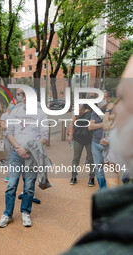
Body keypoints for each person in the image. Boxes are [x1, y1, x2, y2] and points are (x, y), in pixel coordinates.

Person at [63, 55, 133, 255]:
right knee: (97, 167)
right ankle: (90, 181)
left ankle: (96, 181)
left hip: (96, 142)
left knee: (99, 166)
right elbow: (85, 123)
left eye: (126, 100)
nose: (117, 109)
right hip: (92, 141)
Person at [0, 88, 48, 228]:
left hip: (32, 155)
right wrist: (20, 149)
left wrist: (28, 149)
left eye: (27, 95)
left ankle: (25, 212)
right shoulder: (15, 112)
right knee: (11, 185)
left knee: (29, 186)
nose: (24, 98)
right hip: (16, 154)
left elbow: (44, 138)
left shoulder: (41, 115)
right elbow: (9, 132)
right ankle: (7, 214)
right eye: (22, 95)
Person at [88, 91, 111, 189]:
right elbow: (90, 127)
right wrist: (105, 124)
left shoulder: (114, 111)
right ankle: (103, 189)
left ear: (108, 99)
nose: (100, 101)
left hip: (109, 144)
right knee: (98, 168)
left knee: (113, 167)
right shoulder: (95, 111)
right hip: (95, 143)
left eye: (103, 98)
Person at [67, 104, 95, 186]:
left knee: (91, 158)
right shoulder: (79, 110)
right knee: (76, 158)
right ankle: (73, 176)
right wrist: (71, 135)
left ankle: (92, 178)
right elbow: (72, 123)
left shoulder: (95, 111)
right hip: (78, 137)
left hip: (90, 138)